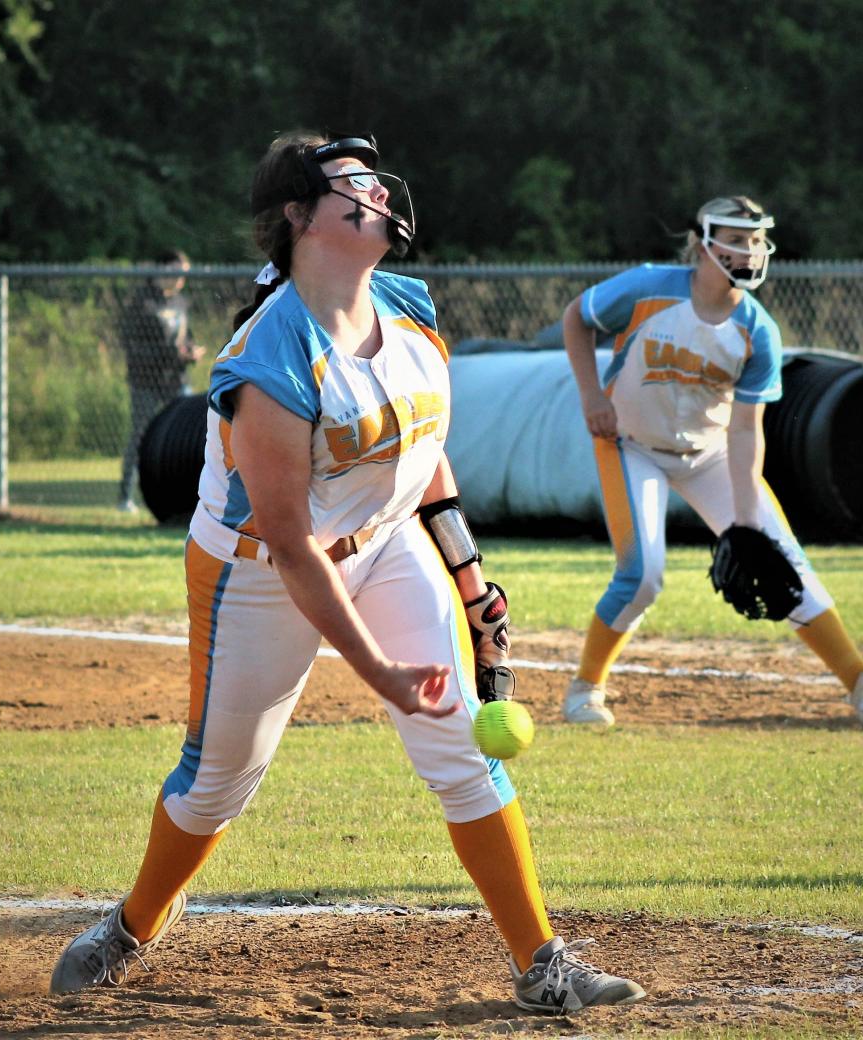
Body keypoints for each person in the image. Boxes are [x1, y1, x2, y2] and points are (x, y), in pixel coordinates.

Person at [50, 131, 646, 1013]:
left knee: (459, 749)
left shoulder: (407, 305)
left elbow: (423, 456)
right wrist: (379, 672)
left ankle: (541, 963)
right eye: (349, 182)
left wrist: (471, 577)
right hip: (258, 576)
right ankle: (132, 925)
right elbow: (290, 544)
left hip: (385, 538)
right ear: (300, 216)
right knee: (218, 783)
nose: (376, 191)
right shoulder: (269, 360)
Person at [559, 195, 863, 730]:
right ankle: (585, 689)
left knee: (779, 559)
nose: (748, 250)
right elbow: (576, 318)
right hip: (631, 444)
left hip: (710, 453)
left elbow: (747, 430)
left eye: (754, 239)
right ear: (702, 245)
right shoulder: (648, 286)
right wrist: (591, 396)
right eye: (736, 238)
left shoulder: (757, 328)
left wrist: (746, 523)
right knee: (644, 573)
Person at [117, 248, 206, 512]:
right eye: (177, 273)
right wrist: (170, 352)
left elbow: (185, 335)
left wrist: (190, 350)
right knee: (141, 435)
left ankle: (192, 494)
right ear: (163, 270)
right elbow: (132, 346)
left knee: (187, 430)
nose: (181, 280)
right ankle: (125, 496)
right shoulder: (141, 303)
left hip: (176, 379)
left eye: (184, 275)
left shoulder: (179, 302)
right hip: (146, 380)